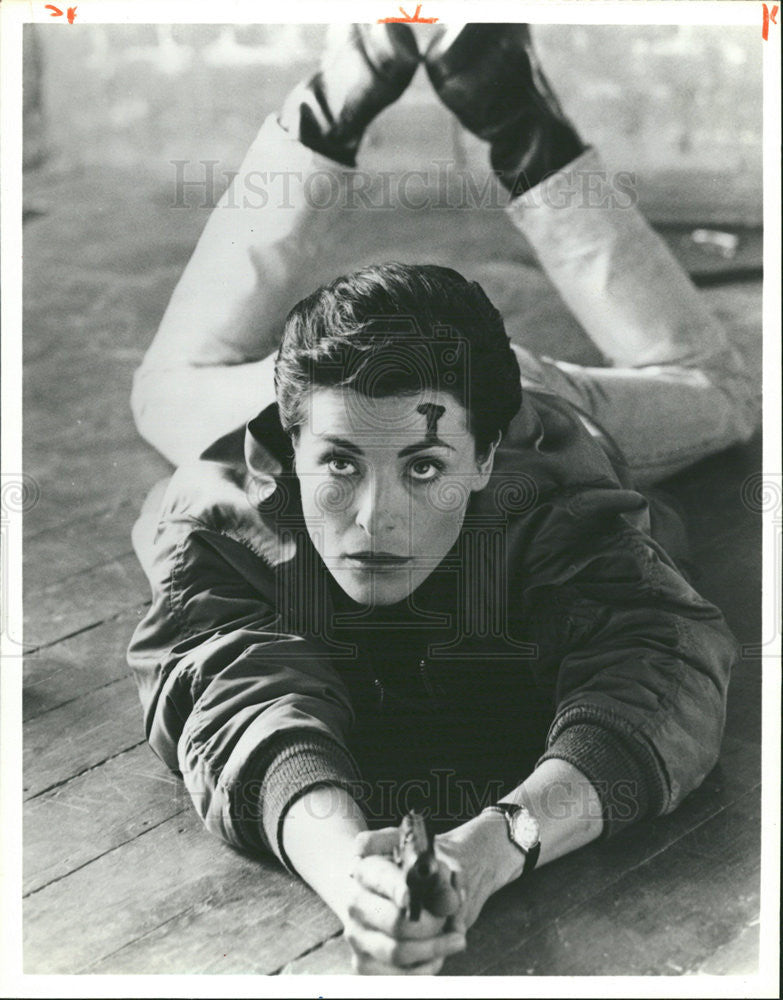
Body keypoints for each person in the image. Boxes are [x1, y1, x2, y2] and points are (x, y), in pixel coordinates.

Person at [127, 24, 759, 975]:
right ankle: (335, 96)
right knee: (167, 391)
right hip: (358, 397)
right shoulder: (223, 505)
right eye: (338, 468)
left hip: (532, 387)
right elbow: (222, 688)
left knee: (719, 395)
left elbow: (662, 663)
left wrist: (495, 846)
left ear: (481, 458)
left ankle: (520, 126)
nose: (375, 520)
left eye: (422, 471)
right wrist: (344, 869)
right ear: (290, 445)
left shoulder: (546, 481)